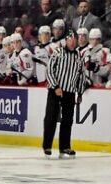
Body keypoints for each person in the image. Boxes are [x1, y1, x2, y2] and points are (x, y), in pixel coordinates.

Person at [43, 29, 83, 158]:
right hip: (55, 90)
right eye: (70, 39)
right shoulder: (58, 52)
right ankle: (47, 145)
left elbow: (80, 76)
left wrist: (80, 93)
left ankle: (65, 147)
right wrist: (55, 86)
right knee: (51, 118)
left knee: (67, 120)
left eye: (74, 39)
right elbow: (49, 70)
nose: (72, 42)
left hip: (70, 92)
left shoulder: (78, 56)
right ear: (66, 40)